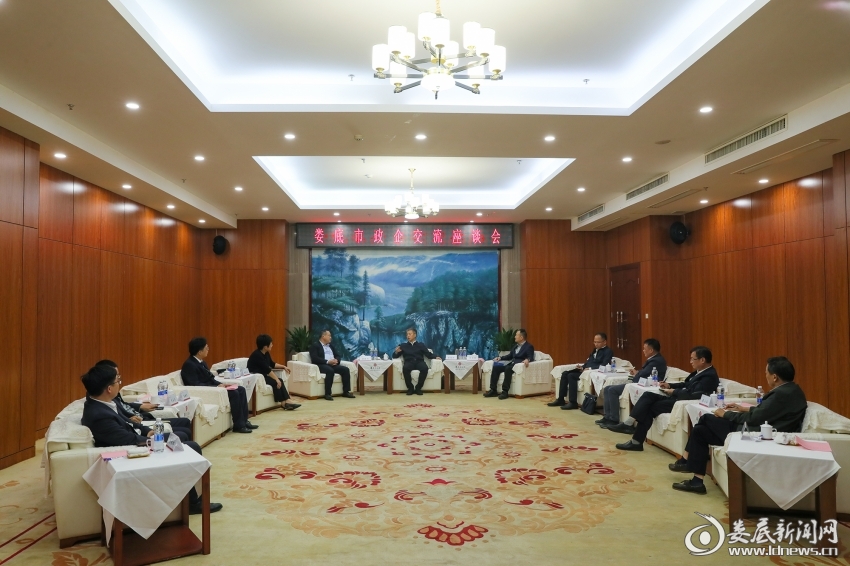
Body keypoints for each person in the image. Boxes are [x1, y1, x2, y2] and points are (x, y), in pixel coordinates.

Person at [80, 363, 222, 514]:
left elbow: (128, 423)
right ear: (109, 388)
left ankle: (191, 497)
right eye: (117, 381)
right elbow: (126, 439)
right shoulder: (99, 415)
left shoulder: (103, 403)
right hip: (130, 453)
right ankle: (192, 504)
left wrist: (148, 432)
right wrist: (148, 439)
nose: (119, 384)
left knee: (183, 439)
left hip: (135, 440)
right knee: (191, 445)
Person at [670, 356, 807, 494]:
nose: (766, 376)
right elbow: (769, 412)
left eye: (766, 373)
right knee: (700, 430)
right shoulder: (792, 390)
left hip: (751, 433)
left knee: (705, 419)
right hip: (757, 430)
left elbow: (753, 419)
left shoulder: (780, 395)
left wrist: (726, 414)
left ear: (775, 377)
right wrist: (744, 408)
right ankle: (696, 480)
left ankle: (686, 461)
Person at [608, 346, 719, 452]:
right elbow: (686, 384)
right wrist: (669, 385)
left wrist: (674, 392)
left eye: (693, 359)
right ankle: (630, 426)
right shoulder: (699, 372)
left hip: (682, 402)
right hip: (678, 396)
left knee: (649, 407)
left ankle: (634, 438)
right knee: (648, 395)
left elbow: (694, 394)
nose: (690, 362)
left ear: (702, 360)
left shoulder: (709, 376)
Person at [96, 359, 194, 441]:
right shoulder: (102, 407)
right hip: (138, 431)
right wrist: (147, 436)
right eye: (117, 378)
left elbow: (124, 405)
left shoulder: (110, 397)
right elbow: (124, 433)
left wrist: (140, 406)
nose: (119, 381)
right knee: (183, 433)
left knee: (185, 423)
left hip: (140, 422)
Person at [181, 337, 255, 434]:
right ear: (199, 351)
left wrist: (221, 384)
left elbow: (210, 378)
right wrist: (216, 387)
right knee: (234, 393)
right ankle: (239, 425)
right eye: (206, 348)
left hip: (213, 388)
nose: (208, 349)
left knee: (240, 389)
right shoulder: (189, 365)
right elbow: (195, 384)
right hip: (206, 392)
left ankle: (244, 421)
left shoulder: (202, 362)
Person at [597, 338, 667, 428]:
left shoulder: (656, 360)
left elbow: (645, 373)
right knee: (607, 388)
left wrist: (637, 373)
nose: (643, 351)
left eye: (644, 349)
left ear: (651, 350)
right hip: (639, 383)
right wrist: (637, 372)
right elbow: (645, 372)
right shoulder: (654, 359)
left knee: (612, 390)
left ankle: (613, 419)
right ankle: (607, 417)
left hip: (644, 385)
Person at [548, 333, 612, 409]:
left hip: (591, 372)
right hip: (584, 370)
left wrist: (590, 368)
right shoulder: (594, 350)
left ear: (604, 342)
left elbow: (604, 364)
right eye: (594, 342)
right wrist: (582, 367)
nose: (596, 344)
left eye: (598, 342)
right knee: (565, 373)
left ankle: (573, 402)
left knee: (571, 376)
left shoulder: (608, 351)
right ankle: (561, 399)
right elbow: (589, 361)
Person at [247, 334, 300, 410]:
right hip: (257, 377)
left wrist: (283, 367)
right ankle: (285, 402)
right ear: (265, 346)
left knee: (279, 380)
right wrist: (276, 379)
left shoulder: (266, 353)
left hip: (263, 375)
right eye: (271, 344)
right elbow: (267, 369)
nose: (272, 345)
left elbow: (272, 364)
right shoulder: (257, 355)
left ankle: (285, 402)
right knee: (276, 382)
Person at [484, 329, 534, 400]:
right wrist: (500, 358)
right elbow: (509, 356)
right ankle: (493, 390)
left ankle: (505, 392)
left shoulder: (529, 346)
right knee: (496, 367)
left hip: (518, 366)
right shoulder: (515, 346)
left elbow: (530, 356)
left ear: (521, 337)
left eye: (516, 335)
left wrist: (527, 359)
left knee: (508, 369)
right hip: (511, 364)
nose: (515, 337)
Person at [392, 328, 441, 396]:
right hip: (409, 362)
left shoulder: (421, 345)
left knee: (424, 368)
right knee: (405, 368)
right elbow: (395, 356)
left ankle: (418, 388)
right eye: (407, 334)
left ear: (415, 335)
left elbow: (428, 354)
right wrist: (396, 352)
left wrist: (435, 357)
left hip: (419, 362)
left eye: (410, 334)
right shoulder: (403, 346)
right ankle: (410, 388)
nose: (408, 336)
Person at [309, 330, 354, 401]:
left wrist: (336, 360)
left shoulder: (331, 346)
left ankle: (346, 392)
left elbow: (337, 355)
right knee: (330, 370)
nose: (330, 337)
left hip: (332, 365)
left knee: (345, 369)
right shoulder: (315, 346)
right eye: (329, 335)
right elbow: (314, 358)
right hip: (321, 365)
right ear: (323, 336)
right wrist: (327, 362)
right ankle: (328, 394)